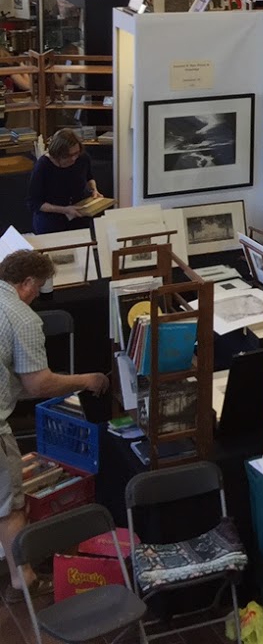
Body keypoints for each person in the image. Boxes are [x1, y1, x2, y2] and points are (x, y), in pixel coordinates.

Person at [0, 250, 110, 596]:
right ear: (28, 282)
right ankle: (24, 578)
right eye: (39, 287)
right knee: (10, 504)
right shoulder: (23, 317)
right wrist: (87, 380)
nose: (38, 294)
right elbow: (38, 384)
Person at [28, 129, 97, 235]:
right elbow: (35, 203)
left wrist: (94, 190)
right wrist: (65, 210)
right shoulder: (43, 166)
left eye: (76, 153)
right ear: (58, 154)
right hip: (51, 220)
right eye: (69, 155)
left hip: (78, 216)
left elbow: (89, 177)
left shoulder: (82, 158)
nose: (74, 158)